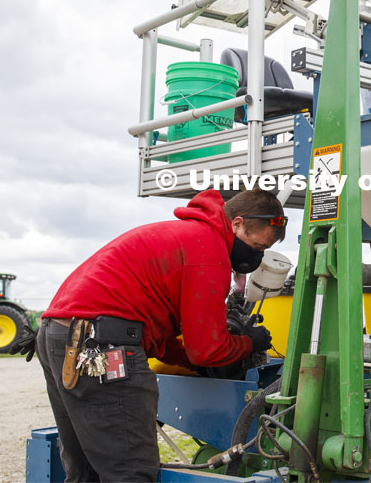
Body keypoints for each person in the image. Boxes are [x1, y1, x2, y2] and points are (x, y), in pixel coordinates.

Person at [31, 187, 285, 481]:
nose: (256, 255)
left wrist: (196, 364)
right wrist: (247, 343)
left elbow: (164, 340)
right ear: (237, 223)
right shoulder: (209, 249)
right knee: (131, 470)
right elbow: (206, 349)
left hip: (59, 336)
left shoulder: (183, 237)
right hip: (101, 346)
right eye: (256, 246)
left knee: (86, 470)